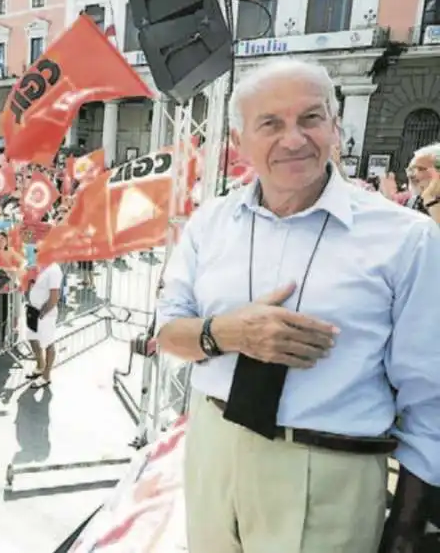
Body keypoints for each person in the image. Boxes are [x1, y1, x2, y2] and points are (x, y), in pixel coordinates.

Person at [156, 58, 440, 553]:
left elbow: (430, 396)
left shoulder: (407, 239)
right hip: (213, 450)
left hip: (330, 471)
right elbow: (167, 331)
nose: (293, 139)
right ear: (242, 139)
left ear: (335, 127)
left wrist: (408, 527)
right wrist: (227, 333)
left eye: (310, 118)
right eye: (271, 123)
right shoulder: (211, 222)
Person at [25, 262, 63, 389]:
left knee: (48, 343)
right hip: (33, 310)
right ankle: (40, 365)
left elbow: (54, 296)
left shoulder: (54, 269)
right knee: (32, 338)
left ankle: (46, 376)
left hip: (45, 314)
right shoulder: (37, 266)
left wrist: (43, 312)